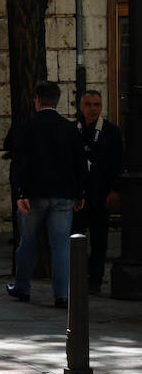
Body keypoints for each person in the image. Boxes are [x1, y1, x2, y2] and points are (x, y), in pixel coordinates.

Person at [7, 81, 86, 307]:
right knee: (61, 245)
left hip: (33, 193)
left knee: (27, 242)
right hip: (63, 194)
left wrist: (20, 192)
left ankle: (22, 287)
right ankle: (62, 294)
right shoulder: (69, 128)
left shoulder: (28, 126)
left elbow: (21, 162)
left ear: (37, 100)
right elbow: (79, 162)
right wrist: (79, 193)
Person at [71, 90, 123, 294]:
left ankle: (95, 279)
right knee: (75, 238)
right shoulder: (72, 129)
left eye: (97, 105)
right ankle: (78, 276)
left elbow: (118, 162)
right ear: (81, 106)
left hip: (101, 194)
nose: (93, 109)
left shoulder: (111, 131)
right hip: (78, 195)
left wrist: (114, 190)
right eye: (89, 104)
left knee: (100, 240)